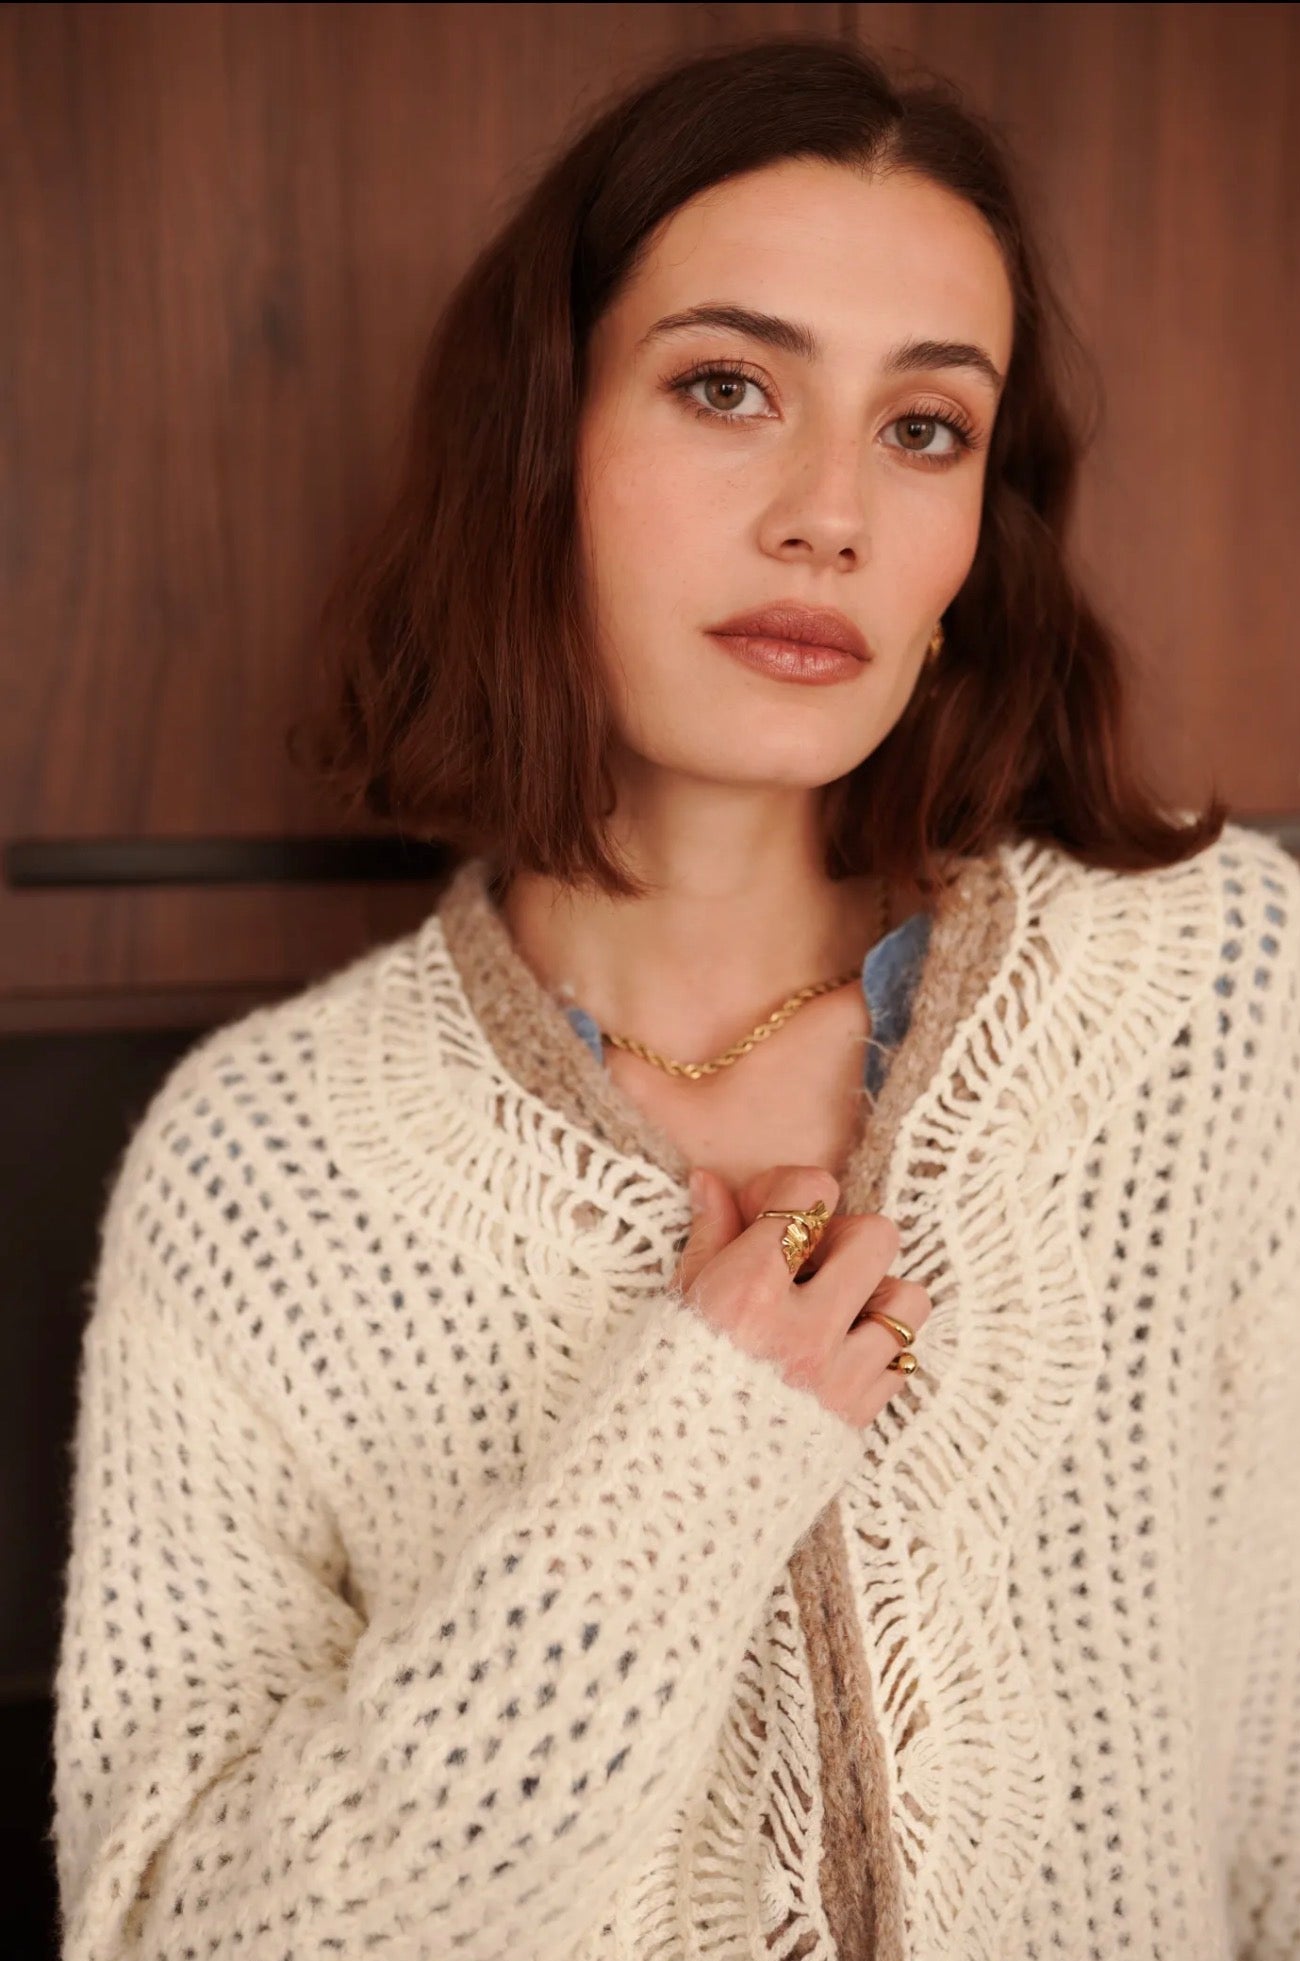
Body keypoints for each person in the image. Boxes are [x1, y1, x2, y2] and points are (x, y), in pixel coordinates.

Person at [51, 34, 1298, 1961]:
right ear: (539, 450)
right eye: (729, 387)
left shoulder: (1213, 993)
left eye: (925, 427)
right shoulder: (262, 1167)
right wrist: (680, 1470)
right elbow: (173, 1934)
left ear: (978, 531)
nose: (830, 515)